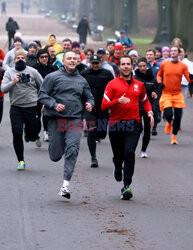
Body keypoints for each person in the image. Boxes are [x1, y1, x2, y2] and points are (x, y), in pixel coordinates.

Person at [38, 51, 94, 199]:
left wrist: (89, 103)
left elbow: (89, 96)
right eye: (69, 58)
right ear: (62, 61)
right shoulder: (52, 77)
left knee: (72, 149)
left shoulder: (81, 80)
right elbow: (42, 94)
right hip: (56, 119)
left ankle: (65, 185)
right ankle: (55, 147)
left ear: (78, 61)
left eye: (74, 59)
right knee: (56, 156)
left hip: (75, 119)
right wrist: (54, 104)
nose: (72, 61)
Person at [101, 55, 154, 200]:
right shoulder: (112, 84)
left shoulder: (139, 85)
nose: (125, 66)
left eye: (128, 64)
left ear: (132, 66)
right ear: (119, 67)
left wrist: (149, 111)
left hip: (133, 124)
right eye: (123, 64)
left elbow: (145, 100)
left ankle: (126, 186)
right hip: (116, 125)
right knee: (118, 155)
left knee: (129, 152)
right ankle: (117, 166)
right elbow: (103, 106)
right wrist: (118, 100)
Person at [1, 50, 43, 170]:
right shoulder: (9, 72)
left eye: (23, 58)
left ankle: (29, 133)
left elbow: (43, 85)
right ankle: (21, 160)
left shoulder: (32, 71)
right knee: (16, 133)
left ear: (26, 60)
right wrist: (13, 82)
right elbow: (3, 89)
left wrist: (43, 102)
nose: (20, 59)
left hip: (31, 107)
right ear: (14, 60)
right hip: (16, 108)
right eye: (18, 57)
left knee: (33, 135)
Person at [81, 54, 114, 167]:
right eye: (93, 63)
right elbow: (79, 88)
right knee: (91, 131)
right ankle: (93, 158)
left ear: (100, 63)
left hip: (104, 107)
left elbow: (114, 87)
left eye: (97, 63)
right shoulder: (84, 74)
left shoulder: (107, 74)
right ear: (90, 63)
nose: (95, 65)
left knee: (102, 133)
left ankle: (98, 135)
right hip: (90, 107)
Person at [157, 46, 193, 144]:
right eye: (171, 51)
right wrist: (160, 82)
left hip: (178, 94)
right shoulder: (164, 64)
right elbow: (159, 75)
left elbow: (189, 79)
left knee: (178, 116)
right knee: (168, 114)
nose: (172, 52)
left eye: (175, 51)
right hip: (166, 93)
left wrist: (191, 77)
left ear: (179, 53)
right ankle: (169, 122)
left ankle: (174, 136)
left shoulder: (183, 66)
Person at [134, 57, 158, 158]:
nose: (142, 68)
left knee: (147, 131)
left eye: (144, 66)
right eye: (140, 66)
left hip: (148, 108)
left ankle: (143, 150)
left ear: (147, 66)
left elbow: (157, 89)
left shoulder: (152, 78)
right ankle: (132, 149)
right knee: (137, 130)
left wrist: (155, 93)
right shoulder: (134, 78)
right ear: (137, 67)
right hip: (136, 107)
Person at [35, 49, 56, 142]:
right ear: (38, 58)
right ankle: (36, 132)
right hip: (36, 95)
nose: (44, 59)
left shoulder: (53, 68)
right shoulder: (34, 69)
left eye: (46, 57)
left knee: (46, 114)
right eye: (42, 57)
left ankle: (46, 131)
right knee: (37, 115)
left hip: (49, 95)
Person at [146, 49, 161, 136]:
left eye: (151, 54)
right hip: (146, 90)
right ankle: (147, 125)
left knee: (155, 108)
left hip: (156, 89)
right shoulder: (143, 65)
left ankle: (154, 127)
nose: (149, 56)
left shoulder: (158, 66)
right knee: (146, 109)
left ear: (154, 56)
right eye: (147, 54)